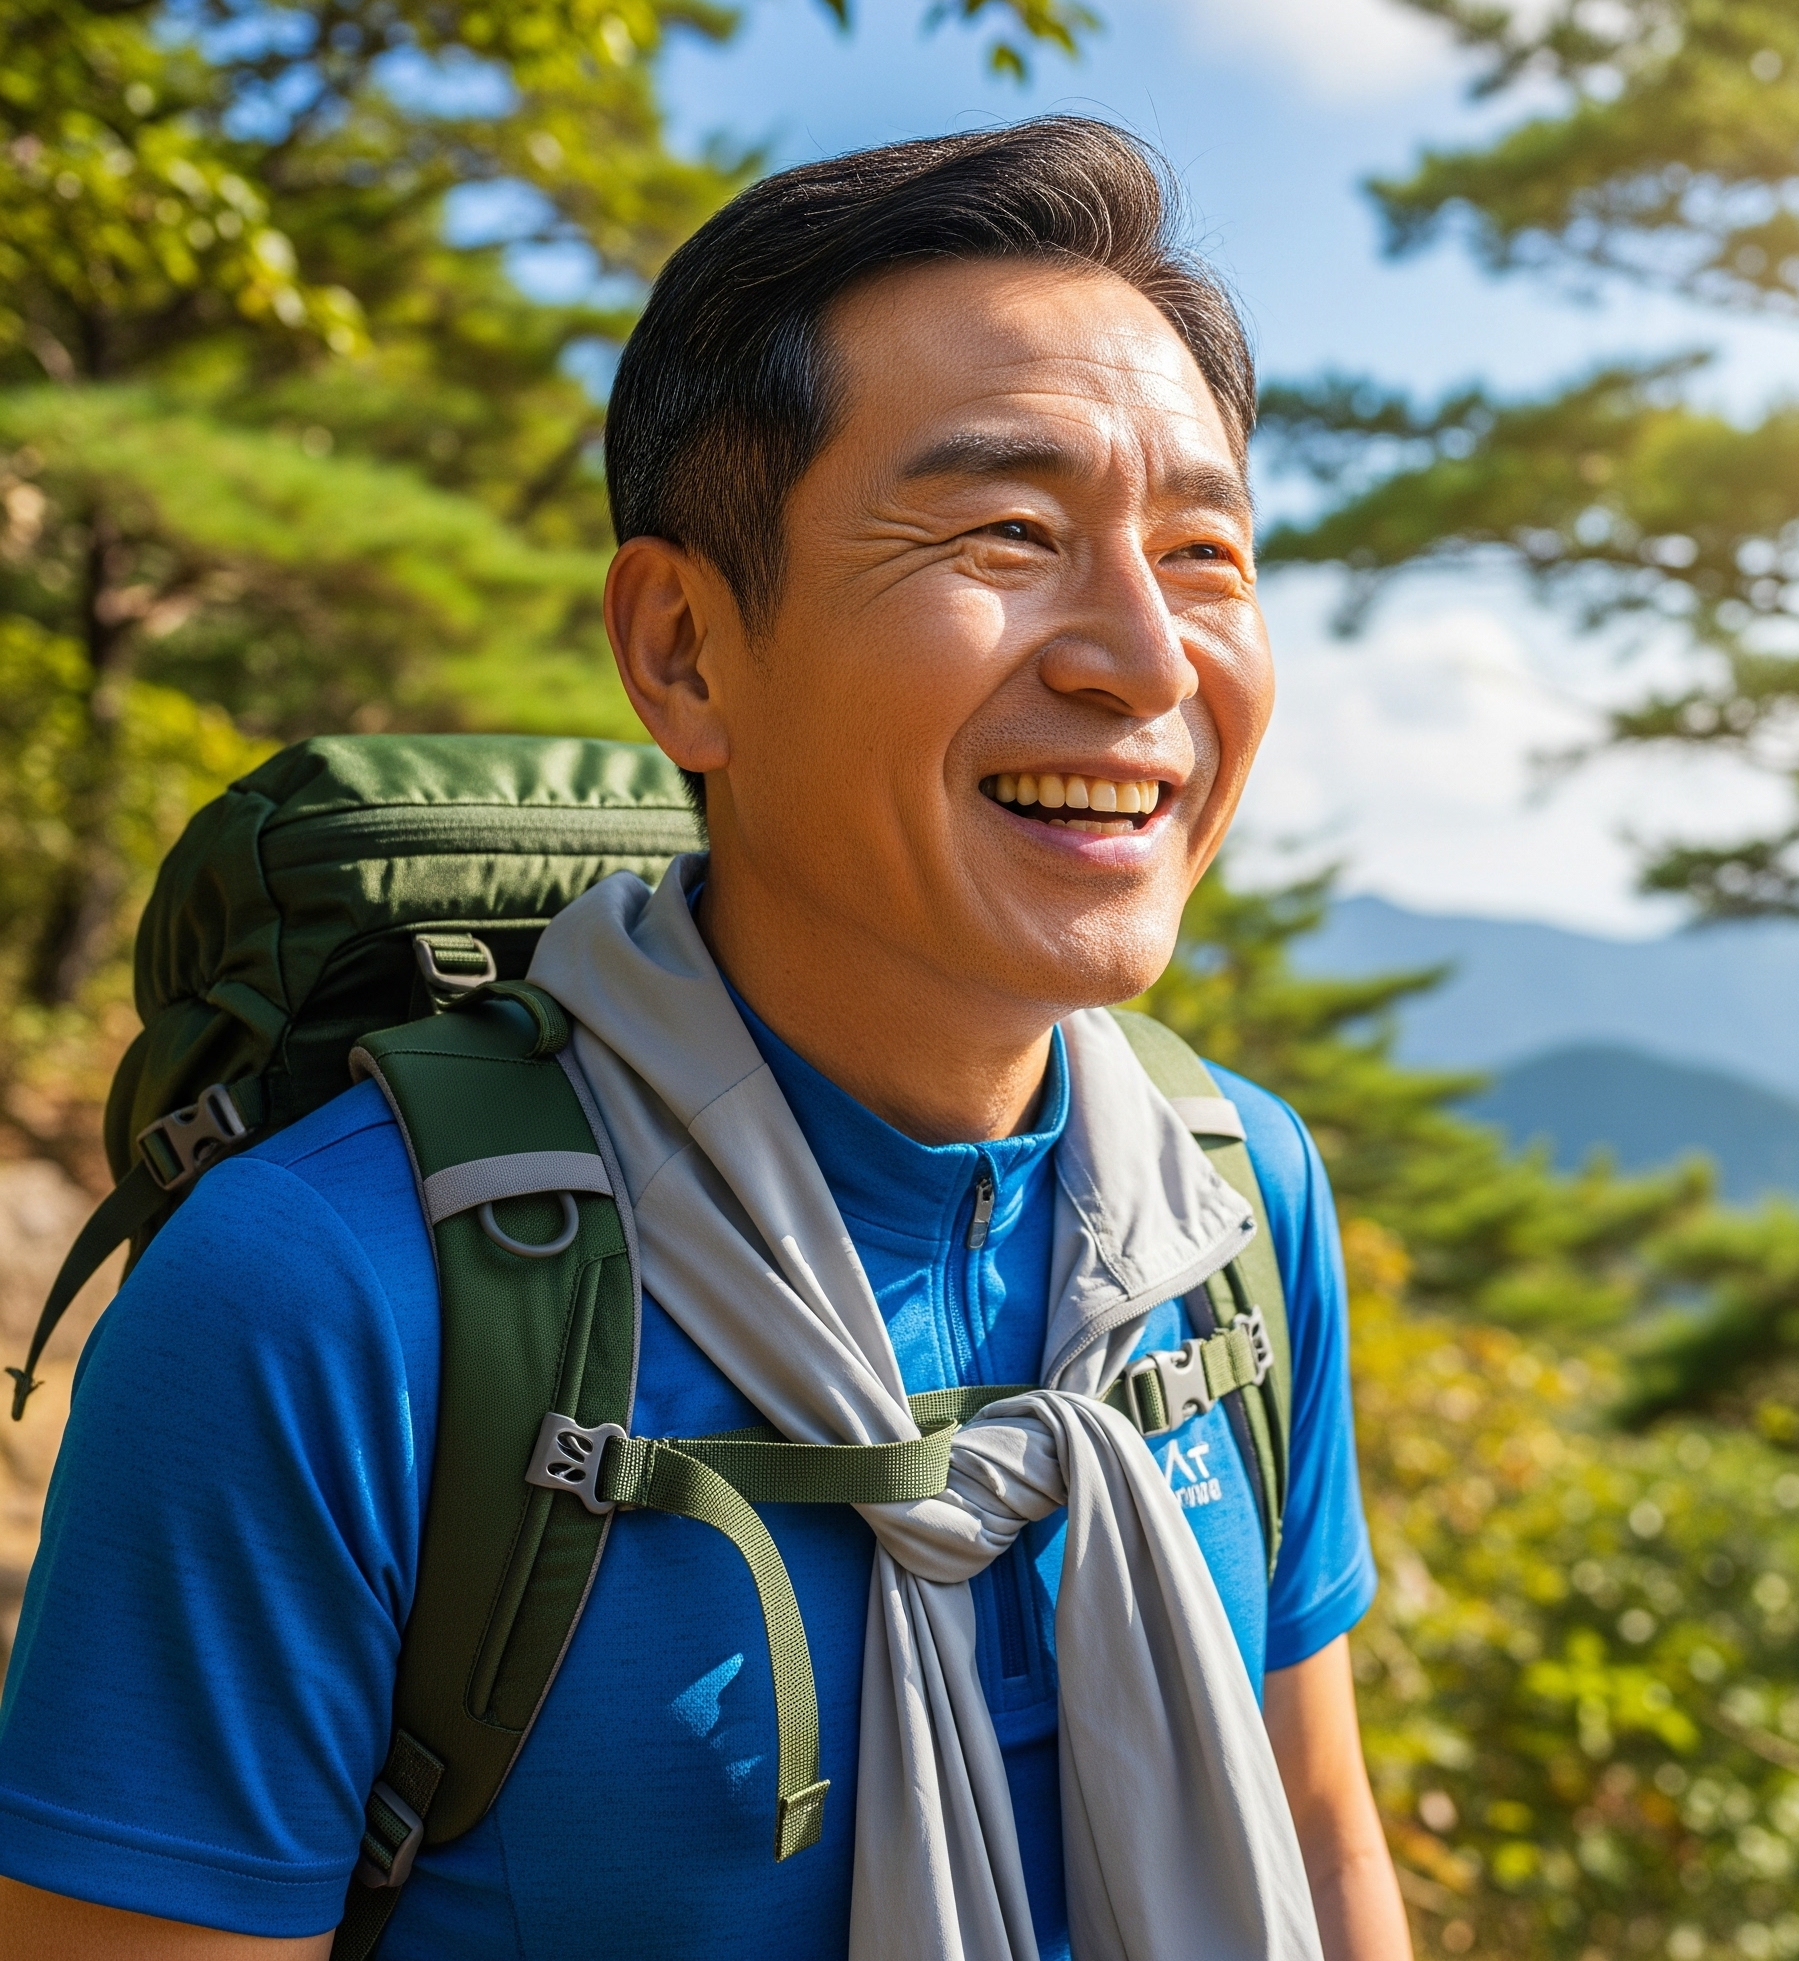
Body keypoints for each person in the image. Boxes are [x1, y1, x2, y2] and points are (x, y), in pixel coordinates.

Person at [0, 118, 1412, 1960]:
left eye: (1205, 552)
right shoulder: (326, 1296)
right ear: (680, 648)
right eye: (1009, 530)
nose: (1146, 659)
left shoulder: (1226, 1205)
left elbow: (1319, 1835)